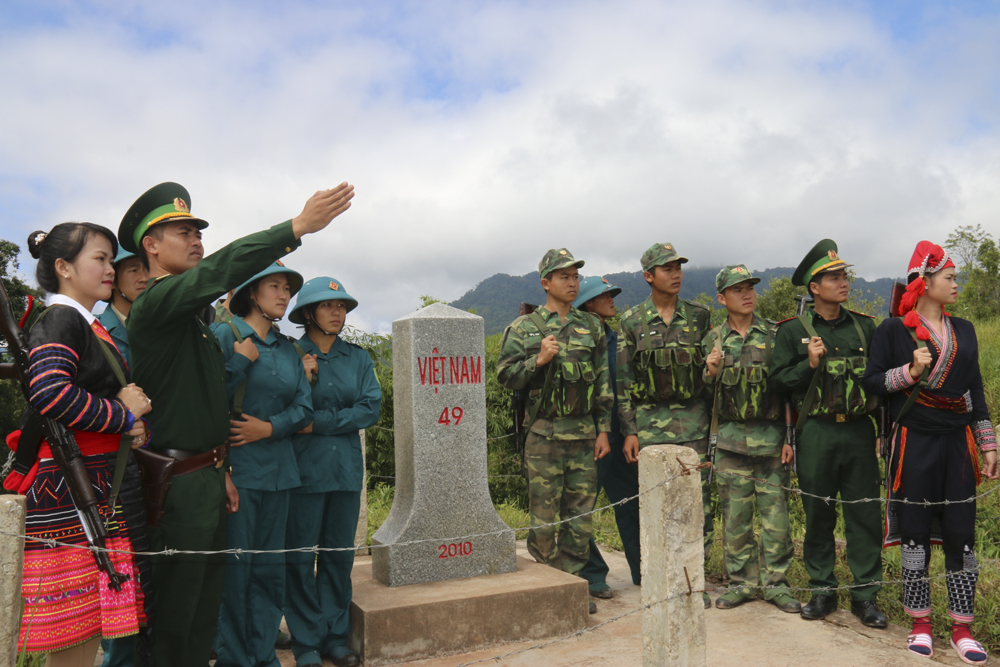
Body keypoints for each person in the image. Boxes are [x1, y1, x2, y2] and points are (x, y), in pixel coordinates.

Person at [120, 180, 354, 666]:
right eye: (182, 231)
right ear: (151, 245)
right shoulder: (157, 304)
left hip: (207, 474)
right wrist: (294, 229)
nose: (195, 240)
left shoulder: (196, 324)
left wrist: (219, 468)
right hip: (175, 482)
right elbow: (219, 270)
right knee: (176, 615)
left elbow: (208, 406)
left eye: (197, 231)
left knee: (205, 606)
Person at [6, 223, 150, 666]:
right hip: (70, 491)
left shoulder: (82, 321)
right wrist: (122, 415)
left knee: (86, 634)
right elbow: (49, 393)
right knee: (73, 639)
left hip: (90, 482)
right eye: (100, 259)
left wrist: (128, 425)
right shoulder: (62, 318)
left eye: (111, 259)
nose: (111, 269)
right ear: (64, 267)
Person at [862, 241, 998, 664]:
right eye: (950, 277)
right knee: (916, 532)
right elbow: (871, 383)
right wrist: (912, 372)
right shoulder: (892, 331)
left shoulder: (967, 331)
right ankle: (920, 622)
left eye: (955, 277)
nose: (957, 284)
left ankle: (962, 627)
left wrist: (987, 443)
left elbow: (974, 391)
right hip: (914, 439)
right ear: (925, 283)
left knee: (962, 531)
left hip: (957, 443)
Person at [770, 239, 886, 627]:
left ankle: (866, 596)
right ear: (814, 289)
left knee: (865, 515)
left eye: (843, 275)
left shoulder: (865, 327)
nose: (843, 282)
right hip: (816, 433)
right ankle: (822, 590)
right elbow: (777, 382)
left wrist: (882, 432)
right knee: (818, 513)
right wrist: (809, 363)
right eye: (833, 277)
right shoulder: (791, 332)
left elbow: (880, 384)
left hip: (858, 432)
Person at [496, 248, 612, 614]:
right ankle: (547, 588)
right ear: (546, 283)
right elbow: (505, 376)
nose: (573, 282)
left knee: (580, 520)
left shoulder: (591, 326)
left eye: (576, 276)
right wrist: (539, 359)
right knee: (544, 520)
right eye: (564, 277)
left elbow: (604, 384)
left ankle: (574, 587)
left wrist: (604, 431)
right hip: (543, 435)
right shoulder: (524, 329)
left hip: (582, 435)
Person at [213, 262, 313, 667]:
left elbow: (304, 407)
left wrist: (269, 429)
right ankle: (235, 658)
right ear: (252, 292)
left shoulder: (290, 348)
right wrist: (239, 363)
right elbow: (205, 402)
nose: (284, 295)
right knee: (236, 571)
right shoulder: (226, 334)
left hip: (280, 472)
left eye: (287, 288)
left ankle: (263, 654)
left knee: (271, 571)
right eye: (274, 286)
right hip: (239, 473)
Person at [283, 277, 382, 667]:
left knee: (339, 556)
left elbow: (369, 409)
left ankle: (335, 636)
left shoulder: (358, 358)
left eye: (341, 306)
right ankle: (306, 640)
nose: (337, 312)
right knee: (300, 556)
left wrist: (319, 422)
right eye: (327, 306)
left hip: (343, 470)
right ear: (308, 313)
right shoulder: (289, 355)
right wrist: (303, 380)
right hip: (303, 471)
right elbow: (287, 412)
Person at [615, 242, 713, 606]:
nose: (676, 274)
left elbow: (709, 374)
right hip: (651, 424)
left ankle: (694, 584)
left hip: (694, 422)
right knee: (656, 507)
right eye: (667, 268)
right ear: (648, 276)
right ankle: (662, 582)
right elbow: (623, 383)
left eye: (678, 267)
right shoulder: (631, 322)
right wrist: (629, 431)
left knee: (696, 506)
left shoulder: (700, 317)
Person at [702, 265, 799, 613]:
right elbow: (704, 394)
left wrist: (790, 437)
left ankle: (777, 586)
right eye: (737, 289)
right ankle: (741, 583)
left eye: (750, 288)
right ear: (721, 297)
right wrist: (710, 371)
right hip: (730, 443)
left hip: (772, 440)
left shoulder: (775, 334)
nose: (747, 294)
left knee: (777, 519)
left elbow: (789, 391)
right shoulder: (713, 339)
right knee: (736, 519)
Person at [96, 246, 154, 667]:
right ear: (113, 278)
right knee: (122, 577)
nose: (142, 276)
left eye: (145, 269)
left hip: (157, 461)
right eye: (132, 269)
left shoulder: (154, 327)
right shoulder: (97, 332)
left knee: (153, 576)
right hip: (114, 467)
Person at [574, 276, 642, 595]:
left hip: (622, 436)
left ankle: (644, 568)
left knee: (633, 503)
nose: (613, 298)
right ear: (589, 303)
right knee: (581, 507)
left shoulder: (619, 339)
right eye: (605, 295)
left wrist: (631, 431)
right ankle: (594, 574)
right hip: (590, 439)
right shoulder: (577, 339)